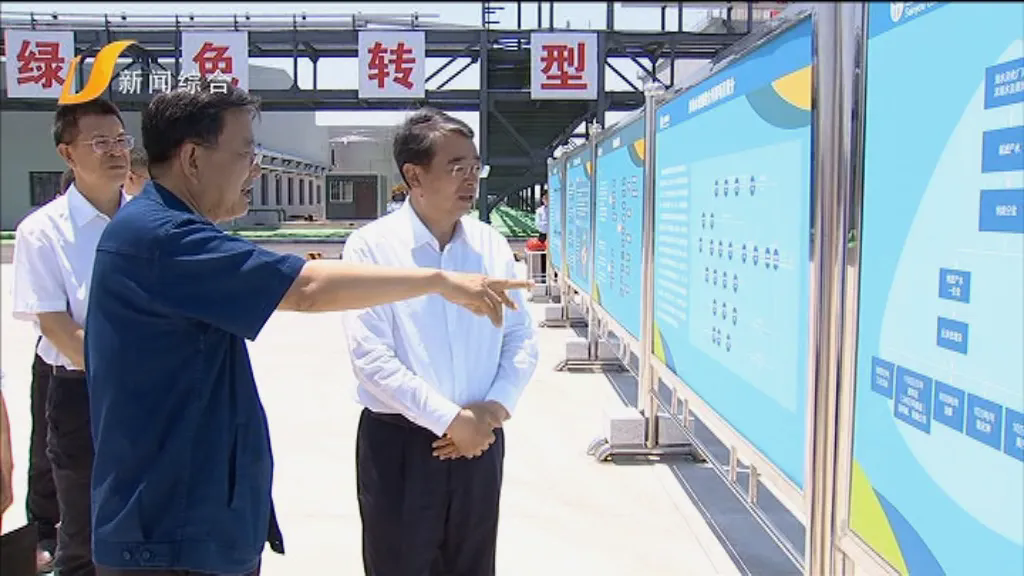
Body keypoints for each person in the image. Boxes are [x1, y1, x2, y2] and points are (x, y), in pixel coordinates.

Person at [83, 80, 531, 576]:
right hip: (167, 531)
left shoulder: (168, 231)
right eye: (246, 152)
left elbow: (520, 338)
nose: (255, 168)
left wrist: (490, 410)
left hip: (191, 518)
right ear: (192, 158)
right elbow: (308, 289)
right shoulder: (162, 238)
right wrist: (439, 281)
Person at [341, 108, 539, 576]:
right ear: (414, 175)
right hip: (403, 445)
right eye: (456, 167)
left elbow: (520, 337)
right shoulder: (372, 248)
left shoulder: (490, 245)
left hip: (480, 441)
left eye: (475, 167)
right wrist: (450, 420)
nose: (471, 179)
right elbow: (371, 357)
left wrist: (492, 411)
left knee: (473, 565)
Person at [11, 98, 132, 576]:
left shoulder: (151, 222)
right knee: (82, 531)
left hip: (152, 391)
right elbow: (57, 327)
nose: (116, 151)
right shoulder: (42, 231)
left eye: (121, 139)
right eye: (100, 142)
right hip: (82, 391)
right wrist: (128, 376)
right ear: (67, 153)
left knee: (143, 523)